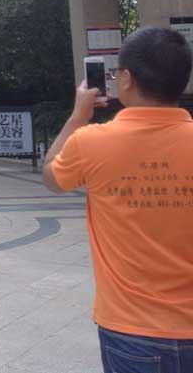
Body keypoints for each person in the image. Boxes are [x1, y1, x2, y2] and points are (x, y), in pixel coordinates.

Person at [43, 26, 193, 371]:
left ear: (126, 78)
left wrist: (78, 116)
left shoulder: (92, 142)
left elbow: (51, 176)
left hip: (132, 332)